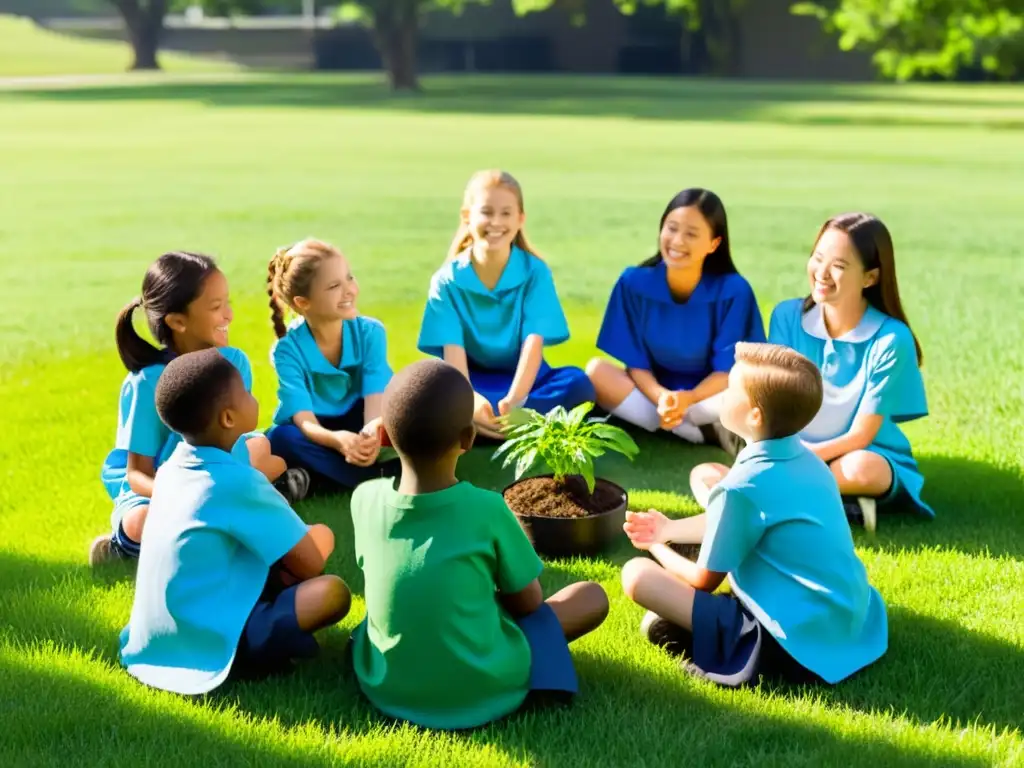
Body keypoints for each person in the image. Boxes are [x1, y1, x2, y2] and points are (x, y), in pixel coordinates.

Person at [349, 358, 609, 729]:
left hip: (388, 685)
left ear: (385, 436)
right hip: (484, 686)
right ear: (468, 439)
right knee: (590, 596)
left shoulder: (364, 499)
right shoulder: (487, 508)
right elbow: (529, 602)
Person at [621, 342, 888, 689]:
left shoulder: (741, 489)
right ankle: (701, 624)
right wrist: (670, 527)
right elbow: (734, 519)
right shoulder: (808, 461)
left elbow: (704, 580)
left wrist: (657, 544)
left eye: (732, 389)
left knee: (637, 575)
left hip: (790, 642)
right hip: (846, 622)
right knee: (707, 478)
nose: (724, 393)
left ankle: (733, 647)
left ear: (755, 416)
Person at [119, 348, 350, 695]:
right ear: (228, 418)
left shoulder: (169, 471)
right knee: (332, 589)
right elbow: (309, 564)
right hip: (213, 645)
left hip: (153, 640)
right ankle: (255, 648)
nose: (253, 396)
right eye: (246, 391)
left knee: (297, 548)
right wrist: (312, 543)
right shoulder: (239, 482)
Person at [91, 251, 302, 566]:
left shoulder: (234, 363)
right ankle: (119, 549)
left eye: (227, 303)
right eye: (216, 307)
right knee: (141, 521)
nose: (229, 315)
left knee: (263, 448)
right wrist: (182, 496)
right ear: (177, 321)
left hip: (219, 473)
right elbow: (138, 474)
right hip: (162, 486)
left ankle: (251, 498)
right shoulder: (148, 382)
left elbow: (238, 437)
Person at [768, 212, 932, 530]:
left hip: (857, 454)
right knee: (703, 474)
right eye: (818, 258)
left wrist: (802, 459)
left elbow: (862, 435)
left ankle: (783, 499)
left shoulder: (890, 338)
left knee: (863, 470)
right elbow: (774, 401)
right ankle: (830, 504)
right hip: (792, 448)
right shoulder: (787, 317)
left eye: (839, 266)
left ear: (870, 278)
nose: (822, 273)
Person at [417, 169, 595, 441]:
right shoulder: (447, 281)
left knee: (578, 384)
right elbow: (453, 356)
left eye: (506, 213)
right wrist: (471, 402)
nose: (496, 222)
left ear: (520, 219)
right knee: (425, 387)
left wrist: (515, 402)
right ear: (467, 216)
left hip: (527, 382)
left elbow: (533, 344)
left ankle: (485, 426)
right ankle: (495, 423)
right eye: (486, 212)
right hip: (469, 382)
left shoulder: (535, 272)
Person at [586, 188, 765, 456]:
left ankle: (669, 425)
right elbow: (635, 364)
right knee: (596, 371)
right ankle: (696, 431)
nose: (677, 241)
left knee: (754, 389)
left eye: (691, 234)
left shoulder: (734, 291)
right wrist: (662, 398)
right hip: (653, 397)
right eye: (671, 228)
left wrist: (689, 399)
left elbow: (728, 371)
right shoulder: (633, 283)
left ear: (714, 244)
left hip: (710, 397)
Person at [266, 238, 399, 492]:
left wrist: (370, 434)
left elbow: (375, 395)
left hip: (364, 418)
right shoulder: (287, 351)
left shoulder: (371, 332)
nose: (349, 290)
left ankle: (312, 480)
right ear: (303, 302)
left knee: (416, 413)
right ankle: (380, 476)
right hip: (320, 432)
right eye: (334, 286)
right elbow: (304, 420)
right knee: (280, 438)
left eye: (349, 278)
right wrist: (338, 441)